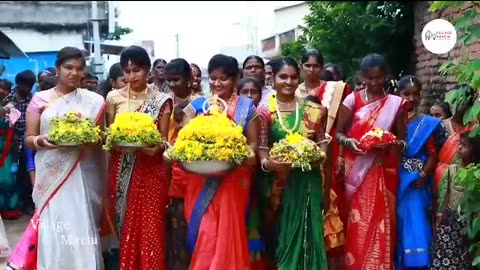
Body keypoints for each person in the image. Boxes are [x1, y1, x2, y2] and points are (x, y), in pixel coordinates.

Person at [10, 46, 106, 269]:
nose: (74, 73)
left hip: (84, 173)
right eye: (68, 68)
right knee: (56, 225)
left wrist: (88, 139)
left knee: (81, 225)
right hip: (52, 174)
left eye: (79, 69)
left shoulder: (94, 101)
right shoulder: (40, 100)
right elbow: (30, 138)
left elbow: (100, 138)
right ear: (57, 69)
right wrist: (42, 141)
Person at [182, 54, 258, 270]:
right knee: (205, 232)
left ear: (235, 79)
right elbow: (183, 141)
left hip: (232, 182)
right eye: (213, 78)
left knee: (227, 234)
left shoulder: (246, 108)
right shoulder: (197, 106)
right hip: (200, 181)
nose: (217, 84)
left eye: (223, 78)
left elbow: (253, 145)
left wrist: (235, 152)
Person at [257, 57, 330, 270]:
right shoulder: (264, 113)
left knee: (310, 235)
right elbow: (262, 149)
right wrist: (270, 164)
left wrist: (319, 156)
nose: (288, 82)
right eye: (283, 77)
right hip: (278, 186)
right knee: (282, 240)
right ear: (273, 79)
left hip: (308, 182)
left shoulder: (312, 109)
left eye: (292, 77)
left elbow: (322, 141)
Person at [336, 53, 408, 270]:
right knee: (359, 223)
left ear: (387, 76)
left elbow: (403, 142)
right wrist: (349, 143)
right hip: (357, 173)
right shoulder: (352, 100)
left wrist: (391, 144)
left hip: (383, 171)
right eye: (370, 78)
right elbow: (339, 133)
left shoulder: (396, 104)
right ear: (362, 77)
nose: (375, 83)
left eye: (379, 78)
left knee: (381, 224)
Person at [103, 45, 172, 270]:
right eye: (127, 71)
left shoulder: (162, 99)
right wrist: (116, 142)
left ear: (148, 70)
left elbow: (163, 140)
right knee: (125, 226)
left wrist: (156, 148)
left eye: (136, 70)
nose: (131, 76)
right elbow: (109, 135)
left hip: (151, 170)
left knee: (152, 227)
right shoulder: (113, 97)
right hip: (121, 168)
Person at [394, 75, 446, 270]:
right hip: (395, 180)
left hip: (416, 183)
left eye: (416, 94)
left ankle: (417, 263)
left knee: (415, 220)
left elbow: (434, 154)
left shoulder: (428, 124)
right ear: (398, 94)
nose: (411, 99)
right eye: (406, 94)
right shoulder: (390, 120)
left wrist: (422, 176)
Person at [164, 58, 195, 270]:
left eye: (177, 79)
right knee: (175, 235)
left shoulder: (203, 104)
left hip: (195, 175)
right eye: (169, 80)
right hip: (168, 175)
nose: (173, 84)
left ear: (190, 79)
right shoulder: (165, 104)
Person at [431, 132, 479, 270]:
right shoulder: (452, 170)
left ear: (475, 150)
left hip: (469, 221)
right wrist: (441, 214)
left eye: (464, 146)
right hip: (450, 220)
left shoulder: (476, 174)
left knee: (465, 257)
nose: (458, 148)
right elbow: (446, 195)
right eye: (459, 144)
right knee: (445, 255)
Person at [433, 85, 476, 211]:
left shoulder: (475, 130)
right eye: (453, 102)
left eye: (462, 101)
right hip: (440, 183)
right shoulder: (442, 127)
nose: (457, 106)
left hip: (464, 184)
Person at [4, 70, 36, 217]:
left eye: (30, 85)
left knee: (27, 173)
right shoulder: (8, 98)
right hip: (11, 143)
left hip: (28, 142)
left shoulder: (33, 99)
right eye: (24, 85)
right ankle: (14, 205)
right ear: (18, 83)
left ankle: (28, 204)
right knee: (12, 175)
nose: (27, 88)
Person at [0, 79, 20, 219]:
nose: (2, 91)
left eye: (5, 89)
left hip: (6, 150)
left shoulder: (9, 109)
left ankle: (9, 210)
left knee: (7, 180)